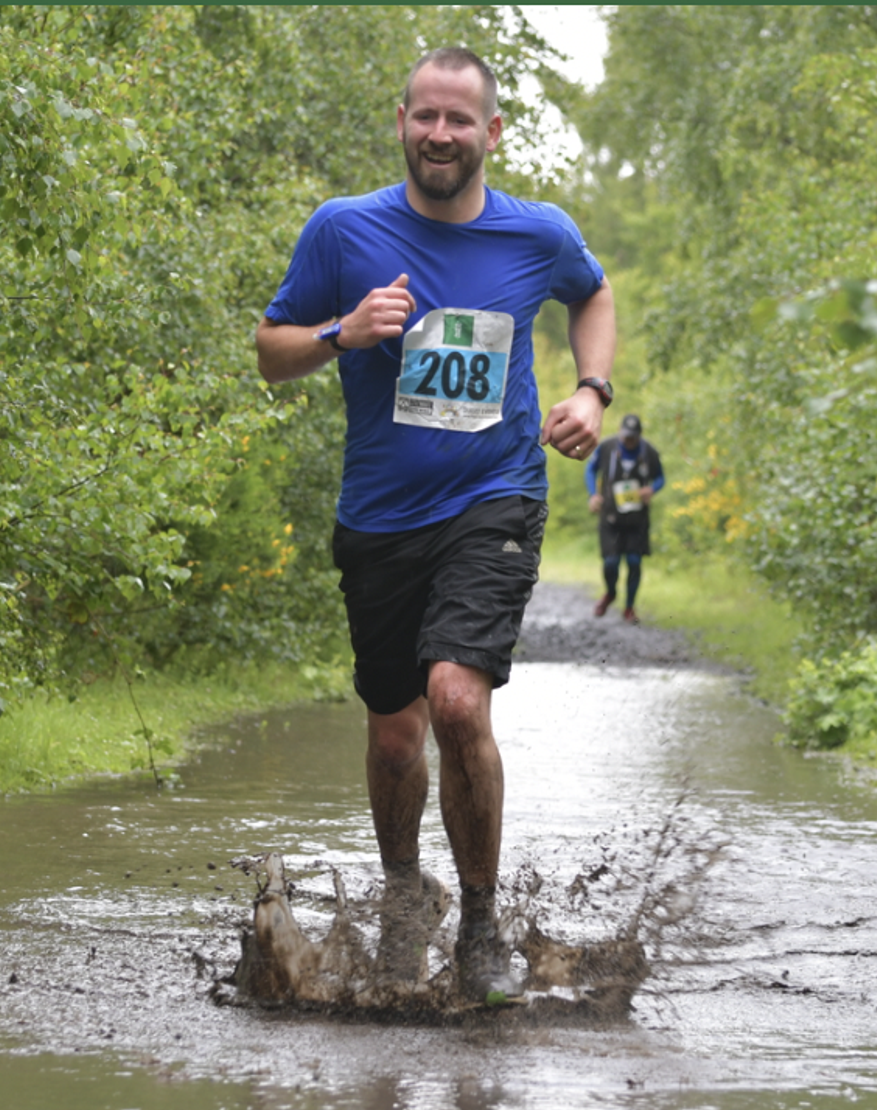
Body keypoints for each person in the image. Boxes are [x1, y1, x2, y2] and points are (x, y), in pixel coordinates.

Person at [254, 47, 616, 1002]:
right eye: (427, 117)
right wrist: (343, 333)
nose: (442, 135)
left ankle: (483, 926)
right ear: (403, 122)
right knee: (392, 736)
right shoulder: (343, 231)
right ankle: (409, 898)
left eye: (462, 120)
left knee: (457, 702)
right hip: (378, 520)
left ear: (492, 132)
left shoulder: (536, 234)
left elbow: (594, 293)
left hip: (494, 499)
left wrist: (592, 388)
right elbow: (270, 353)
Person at [585, 413, 664, 623]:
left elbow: (660, 478)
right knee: (611, 562)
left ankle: (629, 607)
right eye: (625, 436)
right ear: (620, 433)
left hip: (637, 519)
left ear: (639, 436)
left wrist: (651, 489)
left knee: (634, 561)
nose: (628, 441)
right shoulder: (607, 447)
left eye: (632, 437)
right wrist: (593, 494)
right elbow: (590, 470)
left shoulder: (649, 452)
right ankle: (610, 593)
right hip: (610, 516)